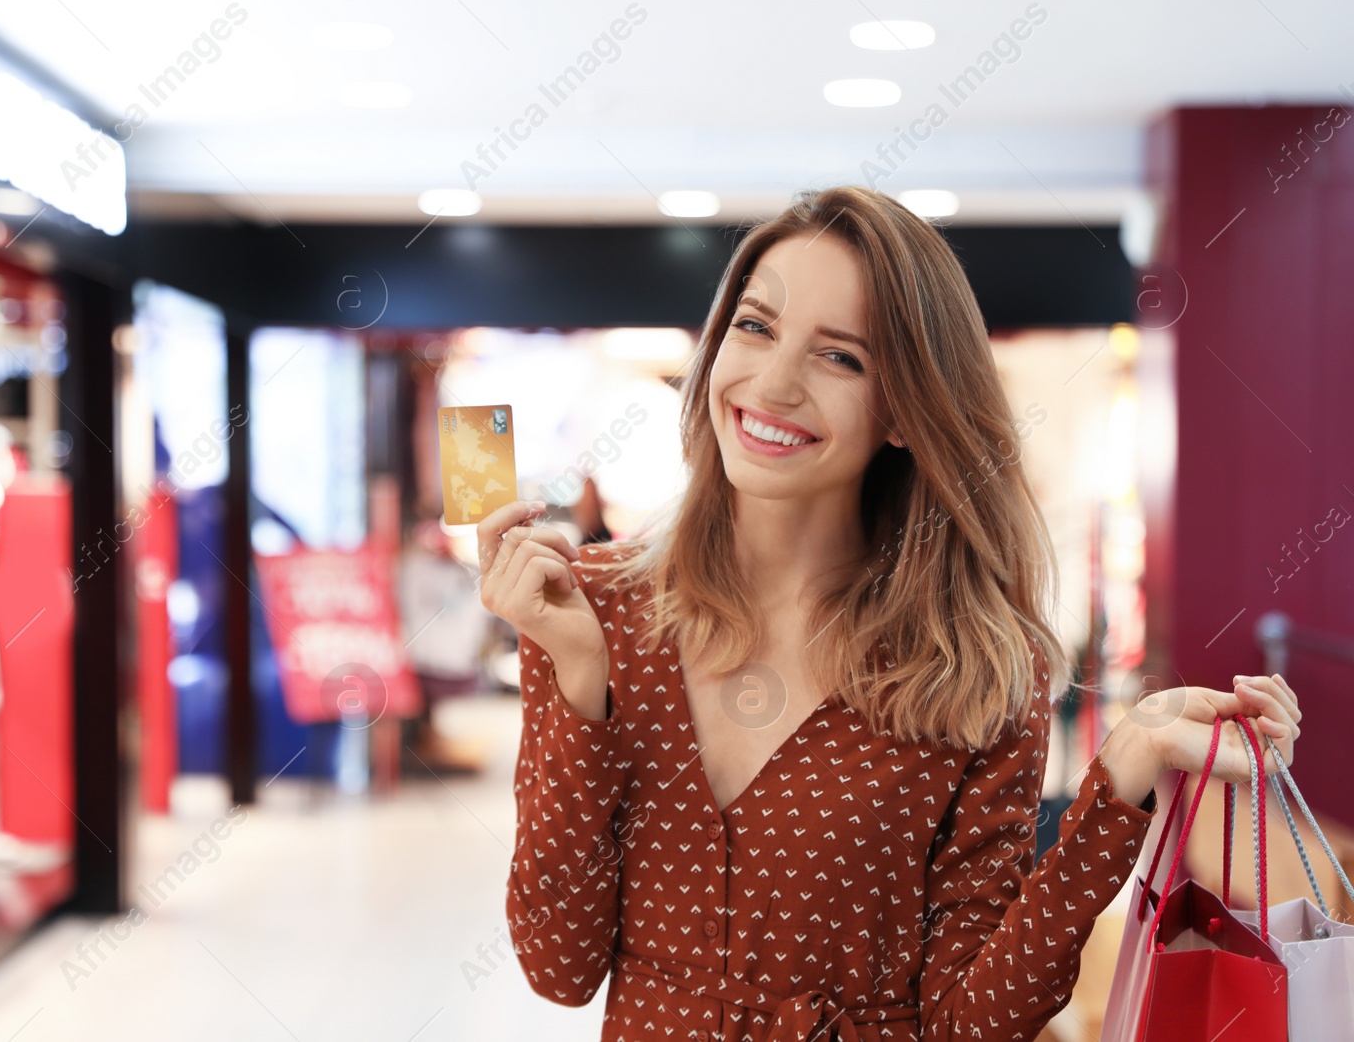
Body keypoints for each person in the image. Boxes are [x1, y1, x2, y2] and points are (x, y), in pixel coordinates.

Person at [476, 186, 1301, 1042]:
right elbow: (559, 967)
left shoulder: (978, 668)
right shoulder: (591, 610)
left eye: (841, 358)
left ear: (906, 407)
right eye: (755, 328)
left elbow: (970, 1023)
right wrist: (582, 686)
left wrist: (1126, 769)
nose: (773, 382)